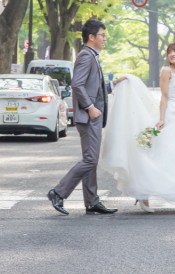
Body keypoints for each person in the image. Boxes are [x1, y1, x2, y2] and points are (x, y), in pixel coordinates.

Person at [99, 40, 175, 213]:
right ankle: (143, 193)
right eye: (170, 52)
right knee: (160, 154)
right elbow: (165, 96)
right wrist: (161, 119)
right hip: (170, 115)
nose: (172, 54)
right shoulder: (166, 71)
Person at [48, 19, 126, 215]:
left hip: (94, 116)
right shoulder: (86, 56)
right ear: (91, 37)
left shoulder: (92, 56)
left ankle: (91, 201)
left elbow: (96, 90)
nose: (105, 39)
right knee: (90, 160)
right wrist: (90, 107)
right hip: (89, 116)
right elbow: (77, 85)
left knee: (90, 159)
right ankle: (58, 192)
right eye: (102, 35)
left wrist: (114, 84)